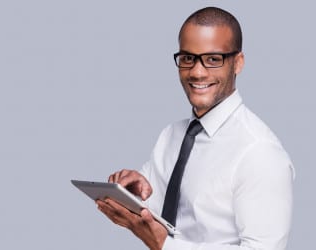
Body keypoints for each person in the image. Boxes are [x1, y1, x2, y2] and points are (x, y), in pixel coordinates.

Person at [96, 6, 294, 250]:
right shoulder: (171, 135)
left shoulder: (259, 152)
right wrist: (135, 196)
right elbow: (163, 218)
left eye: (213, 59)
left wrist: (163, 245)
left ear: (238, 63)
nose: (197, 72)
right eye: (188, 58)